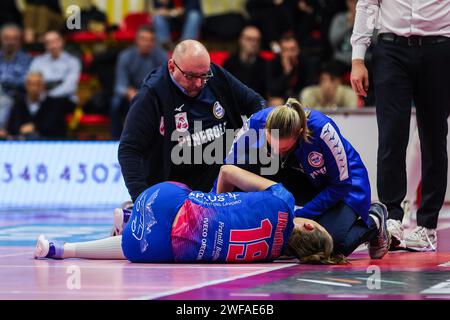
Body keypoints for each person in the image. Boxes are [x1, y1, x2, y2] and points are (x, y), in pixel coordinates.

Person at [34, 165, 344, 265]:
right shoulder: (269, 257)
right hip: (151, 250)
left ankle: (129, 218)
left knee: (190, 196)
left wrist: (215, 201)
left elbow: (226, 170)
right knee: (147, 247)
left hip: (161, 198)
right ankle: (59, 250)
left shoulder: (285, 200)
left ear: (307, 224)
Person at [226, 98, 390, 259]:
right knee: (245, 167)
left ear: (299, 133)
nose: (277, 152)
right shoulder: (256, 122)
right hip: (305, 178)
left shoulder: (323, 130)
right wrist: (217, 205)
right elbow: (228, 168)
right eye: (271, 145)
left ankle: (374, 220)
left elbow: (341, 184)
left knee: (327, 247)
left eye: (284, 148)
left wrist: (301, 214)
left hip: (346, 187)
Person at [350, 1, 450, 251]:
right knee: (391, 137)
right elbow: (367, 4)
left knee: (434, 137)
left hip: (440, 47)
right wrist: (357, 58)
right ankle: (392, 218)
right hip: (391, 49)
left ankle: (427, 225)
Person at [118, 39, 266, 204]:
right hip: (176, 192)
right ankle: (131, 209)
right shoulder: (151, 95)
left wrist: (253, 135)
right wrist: (142, 201)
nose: (198, 83)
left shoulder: (214, 75)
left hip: (222, 186)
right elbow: (128, 150)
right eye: (190, 76)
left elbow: (256, 102)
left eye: (203, 75)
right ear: (172, 67)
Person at [111, 25, 167, 139]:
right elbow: (119, 85)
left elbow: (165, 82)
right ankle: (116, 138)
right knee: (115, 103)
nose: (147, 43)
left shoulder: (161, 56)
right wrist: (129, 92)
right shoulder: (125, 56)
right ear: (137, 41)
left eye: (151, 40)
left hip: (154, 94)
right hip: (130, 96)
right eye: (144, 39)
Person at [5, 72, 74, 139]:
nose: (34, 88)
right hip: (23, 144)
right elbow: (12, 126)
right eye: (31, 84)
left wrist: (35, 127)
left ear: (43, 86)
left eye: (38, 84)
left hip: (50, 144)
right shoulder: (18, 103)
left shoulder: (55, 104)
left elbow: (55, 127)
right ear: (26, 85)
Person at [28, 30, 81, 104]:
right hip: (41, 97)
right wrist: (42, 96)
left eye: (55, 41)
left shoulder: (72, 61)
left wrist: (49, 96)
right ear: (45, 45)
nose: (52, 45)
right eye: (48, 42)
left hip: (64, 98)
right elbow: (31, 81)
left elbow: (70, 86)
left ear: (62, 41)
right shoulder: (38, 61)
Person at [267, 33, 316, 106]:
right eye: (285, 50)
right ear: (281, 52)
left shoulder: (306, 63)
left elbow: (309, 89)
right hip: (281, 101)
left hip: (300, 100)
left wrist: (289, 100)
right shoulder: (273, 63)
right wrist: (287, 72)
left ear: (298, 50)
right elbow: (272, 90)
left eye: (292, 50)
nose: (289, 54)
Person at [223, 25, 268, 98]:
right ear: (241, 40)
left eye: (257, 40)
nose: (254, 43)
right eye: (249, 39)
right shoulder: (230, 62)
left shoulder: (264, 64)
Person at [0, 24, 33, 97]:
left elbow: (27, 82)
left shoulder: (27, 60)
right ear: (1, 39)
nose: (11, 42)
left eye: (15, 38)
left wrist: (4, 83)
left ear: (19, 40)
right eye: (7, 38)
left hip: (17, 100)